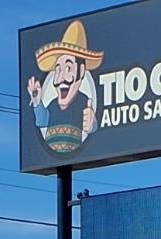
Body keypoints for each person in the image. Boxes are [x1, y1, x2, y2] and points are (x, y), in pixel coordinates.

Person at [25, 20, 103, 156]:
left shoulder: (84, 102)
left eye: (68, 68)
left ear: (81, 70)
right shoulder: (53, 104)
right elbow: (42, 121)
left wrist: (92, 126)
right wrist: (37, 102)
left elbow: (92, 126)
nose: (60, 77)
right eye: (58, 69)